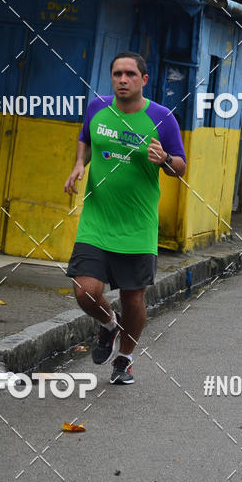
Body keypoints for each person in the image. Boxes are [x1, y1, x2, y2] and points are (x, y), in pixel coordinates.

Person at [63, 51, 187, 385]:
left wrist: (164, 159)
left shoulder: (162, 118)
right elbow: (86, 138)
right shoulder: (97, 108)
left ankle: (126, 358)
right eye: (117, 73)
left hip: (138, 225)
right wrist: (79, 164)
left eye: (130, 74)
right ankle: (108, 325)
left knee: (133, 298)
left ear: (144, 80)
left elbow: (181, 167)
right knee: (84, 290)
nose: (122, 80)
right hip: (97, 220)